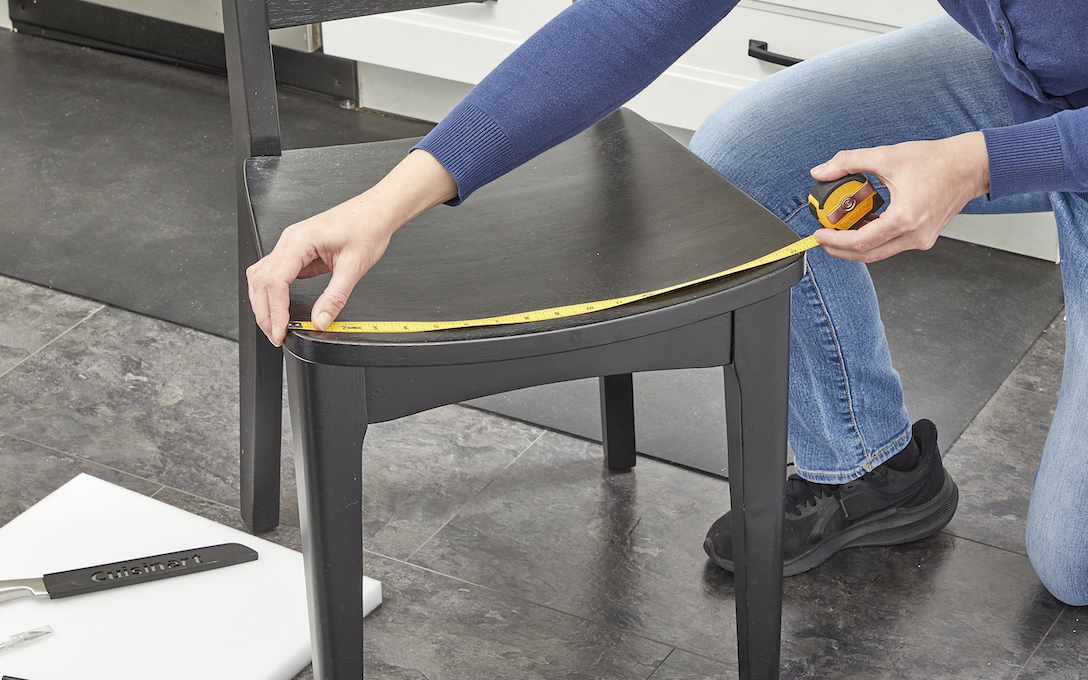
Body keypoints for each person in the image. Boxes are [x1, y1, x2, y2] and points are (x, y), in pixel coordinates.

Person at [245, 1, 1088, 605]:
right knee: (754, 154)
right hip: (1034, 80)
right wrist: (390, 201)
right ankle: (871, 469)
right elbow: (630, 17)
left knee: (1073, 565)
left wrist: (983, 165)